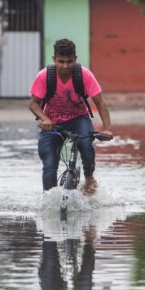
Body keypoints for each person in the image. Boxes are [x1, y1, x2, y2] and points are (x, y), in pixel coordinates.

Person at [29, 39, 113, 194]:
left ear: (75, 59)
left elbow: (100, 102)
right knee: (49, 165)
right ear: (54, 59)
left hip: (78, 119)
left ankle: (89, 178)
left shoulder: (85, 75)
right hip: (52, 123)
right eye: (61, 61)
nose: (65, 66)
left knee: (86, 145)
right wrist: (44, 119)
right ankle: (49, 199)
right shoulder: (44, 76)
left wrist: (107, 129)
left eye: (69, 61)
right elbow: (33, 103)